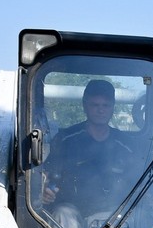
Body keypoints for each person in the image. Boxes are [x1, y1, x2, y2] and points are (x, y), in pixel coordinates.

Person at [40, 79, 135, 213]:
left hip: (115, 216)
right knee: (63, 214)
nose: (100, 110)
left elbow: (141, 177)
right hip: (72, 211)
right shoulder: (65, 140)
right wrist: (44, 190)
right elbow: (47, 174)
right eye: (95, 105)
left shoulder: (126, 145)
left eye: (106, 105)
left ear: (112, 107)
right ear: (85, 106)